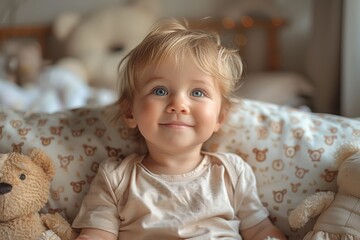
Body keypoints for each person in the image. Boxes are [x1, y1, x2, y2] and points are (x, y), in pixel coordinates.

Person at [72, 18, 287, 240]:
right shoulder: (116, 179)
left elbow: (261, 230)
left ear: (219, 118)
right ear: (130, 112)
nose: (178, 104)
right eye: (160, 91)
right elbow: (97, 235)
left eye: (197, 93)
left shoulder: (231, 173)